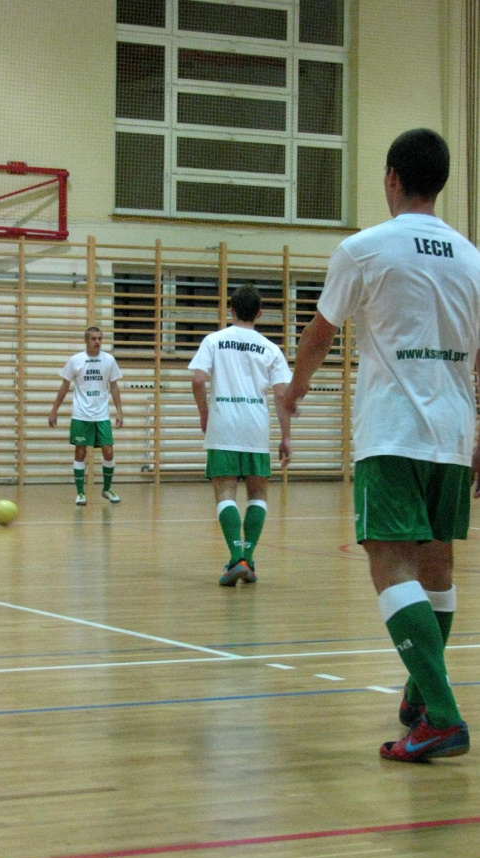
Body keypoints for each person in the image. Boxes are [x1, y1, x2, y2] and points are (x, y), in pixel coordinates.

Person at [283, 128, 480, 762]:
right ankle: (421, 694)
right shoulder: (473, 258)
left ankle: (443, 715)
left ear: (392, 177)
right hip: (454, 432)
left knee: (390, 563)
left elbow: (319, 336)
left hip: (393, 431)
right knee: (437, 566)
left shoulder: (364, 249)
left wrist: (293, 392)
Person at [189, 283, 293, 586]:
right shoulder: (271, 348)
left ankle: (237, 558)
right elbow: (282, 395)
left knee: (225, 492)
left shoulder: (214, 340)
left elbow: (198, 380)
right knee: (258, 494)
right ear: (259, 313)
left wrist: (204, 413)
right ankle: (247, 557)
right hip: (255, 427)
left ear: (231, 309)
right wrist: (286, 436)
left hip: (223, 423)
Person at [48, 326, 123, 505]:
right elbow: (64, 386)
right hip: (81, 414)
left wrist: (119, 410)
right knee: (80, 452)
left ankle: (107, 489)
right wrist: (54, 410)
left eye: (100, 339)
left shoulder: (109, 360)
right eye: (94, 339)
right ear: (86, 340)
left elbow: (114, 387)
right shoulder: (76, 360)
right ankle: (80, 493)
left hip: (102, 414)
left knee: (108, 451)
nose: (97, 342)